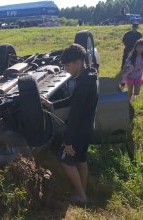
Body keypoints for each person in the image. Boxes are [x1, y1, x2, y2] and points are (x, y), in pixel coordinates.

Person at [41, 44, 98, 204]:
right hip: (87, 128)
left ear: (78, 63)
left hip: (78, 130)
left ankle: (81, 196)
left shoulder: (83, 84)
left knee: (65, 159)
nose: (66, 69)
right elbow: (73, 100)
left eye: (67, 65)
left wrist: (68, 141)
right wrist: (52, 104)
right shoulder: (90, 76)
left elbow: (75, 115)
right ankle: (83, 191)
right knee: (81, 159)